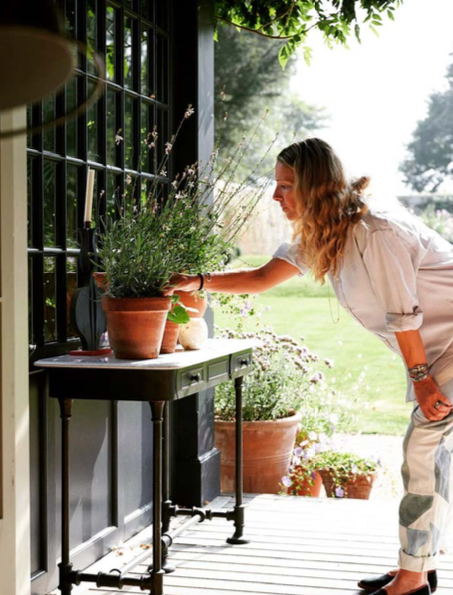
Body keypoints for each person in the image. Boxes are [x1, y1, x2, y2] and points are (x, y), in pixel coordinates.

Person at [164, 137, 453, 595]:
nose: (276, 196)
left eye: (285, 186)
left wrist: (421, 381)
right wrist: (195, 282)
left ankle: (414, 579)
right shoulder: (327, 232)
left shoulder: (375, 230)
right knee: (429, 458)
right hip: (437, 352)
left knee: (423, 452)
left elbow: (404, 315)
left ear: (315, 186)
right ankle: (416, 566)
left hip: (447, 348)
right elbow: (262, 278)